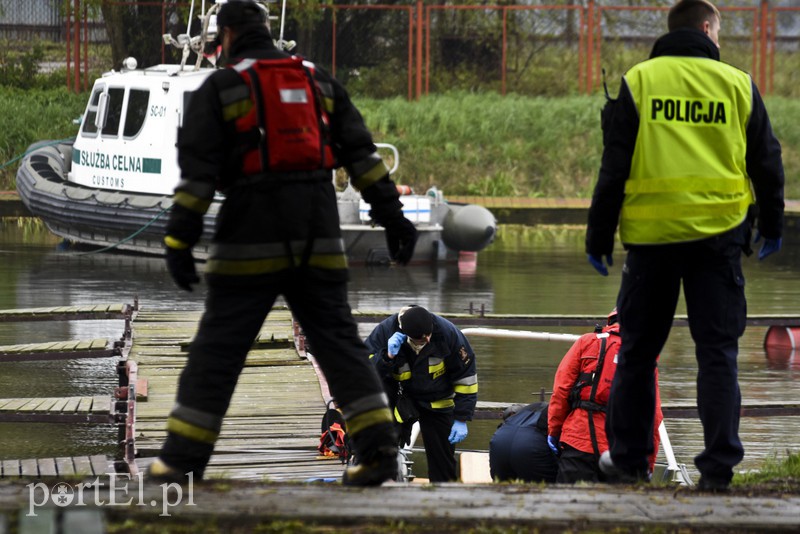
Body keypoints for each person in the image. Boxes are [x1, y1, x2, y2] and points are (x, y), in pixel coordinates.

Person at [148, 0, 418, 487]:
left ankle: (183, 462)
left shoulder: (222, 86)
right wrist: (393, 218)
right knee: (339, 346)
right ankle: (379, 452)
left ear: (226, 36)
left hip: (249, 237)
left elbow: (198, 178)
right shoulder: (318, 82)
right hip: (318, 234)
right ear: (269, 33)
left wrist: (178, 241)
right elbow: (362, 155)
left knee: (218, 351)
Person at [586, 0, 784, 491]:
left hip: (651, 244)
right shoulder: (737, 84)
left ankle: (630, 462)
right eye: (718, 31)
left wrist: (598, 235)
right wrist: (773, 224)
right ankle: (717, 471)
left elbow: (614, 166)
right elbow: (767, 160)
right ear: (705, 28)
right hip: (719, 242)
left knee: (637, 353)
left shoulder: (641, 81)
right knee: (717, 354)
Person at [547, 309, 662, 483]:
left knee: (569, 504)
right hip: (623, 450)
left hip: (578, 442)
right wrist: (649, 463)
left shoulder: (587, 342)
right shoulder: (644, 357)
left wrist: (554, 431)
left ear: (610, 322)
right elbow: (654, 416)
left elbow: (561, 391)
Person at [365, 305, 478, 482]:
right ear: (405, 332)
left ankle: (441, 499)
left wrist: (461, 418)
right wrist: (387, 356)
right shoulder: (385, 332)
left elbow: (466, 378)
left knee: (443, 462)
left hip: (438, 401)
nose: (426, 338)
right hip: (399, 398)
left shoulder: (447, 333)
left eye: (428, 334)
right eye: (420, 338)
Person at [489, 402, 558, 483]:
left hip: (500, 439)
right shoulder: (558, 412)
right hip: (531, 443)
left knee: (501, 490)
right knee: (546, 489)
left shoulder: (532, 407)